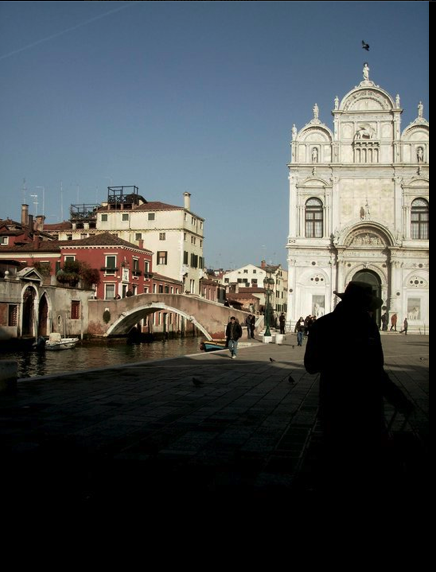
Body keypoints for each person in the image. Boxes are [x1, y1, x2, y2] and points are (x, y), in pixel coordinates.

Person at [304, 281, 413, 495]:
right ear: (361, 304)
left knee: (335, 463)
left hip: (333, 404)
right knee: (367, 468)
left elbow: (311, 366)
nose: (371, 310)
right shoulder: (368, 326)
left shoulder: (322, 325)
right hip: (367, 407)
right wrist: (398, 398)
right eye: (368, 305)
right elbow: (376, 370)